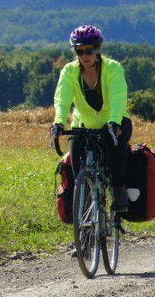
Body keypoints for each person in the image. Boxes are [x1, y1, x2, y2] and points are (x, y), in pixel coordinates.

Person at [49, 25, 133, 212]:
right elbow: (62, 99)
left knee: (117, 154)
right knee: (76, 167)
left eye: (89, 50)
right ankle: (82, 204)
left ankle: (119, 190)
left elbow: (119, 97)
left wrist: (114, 121)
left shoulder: (113, 68)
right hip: (83, 125)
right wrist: (59, 121)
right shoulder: (69, 71)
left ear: (97, 49)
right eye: (79, 51)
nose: (84, 55)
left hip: (114, 121)